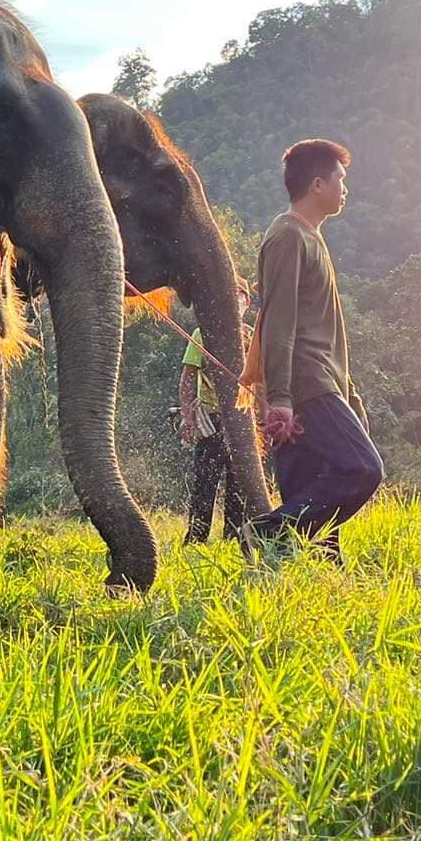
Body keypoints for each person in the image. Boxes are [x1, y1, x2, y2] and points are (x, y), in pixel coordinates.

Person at [244, 138, 381, 555]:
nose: (346, 187)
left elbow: (329, 330)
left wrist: (350, 395)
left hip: (321, 379)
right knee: (362, 468)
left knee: (310, 492)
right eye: (341, 179)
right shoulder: (287, 236)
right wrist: (281, 398)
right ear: (318, 184)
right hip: (306, 381)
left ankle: (305, 578)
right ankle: (265, 531)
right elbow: (278, 320)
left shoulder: (310, 237)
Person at [177, 281, 252, 542]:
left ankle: (233, 537)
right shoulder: (203, 334)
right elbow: (188, 376)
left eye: (238, 297)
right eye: (228, 295)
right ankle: (196, 537)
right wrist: (188, 416)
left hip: (243, 421)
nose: (233, 301)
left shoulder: (251, 337)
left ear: (246, 303)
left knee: (238, 482)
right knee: (205, 482)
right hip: (211, 418)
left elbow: (260, 382)